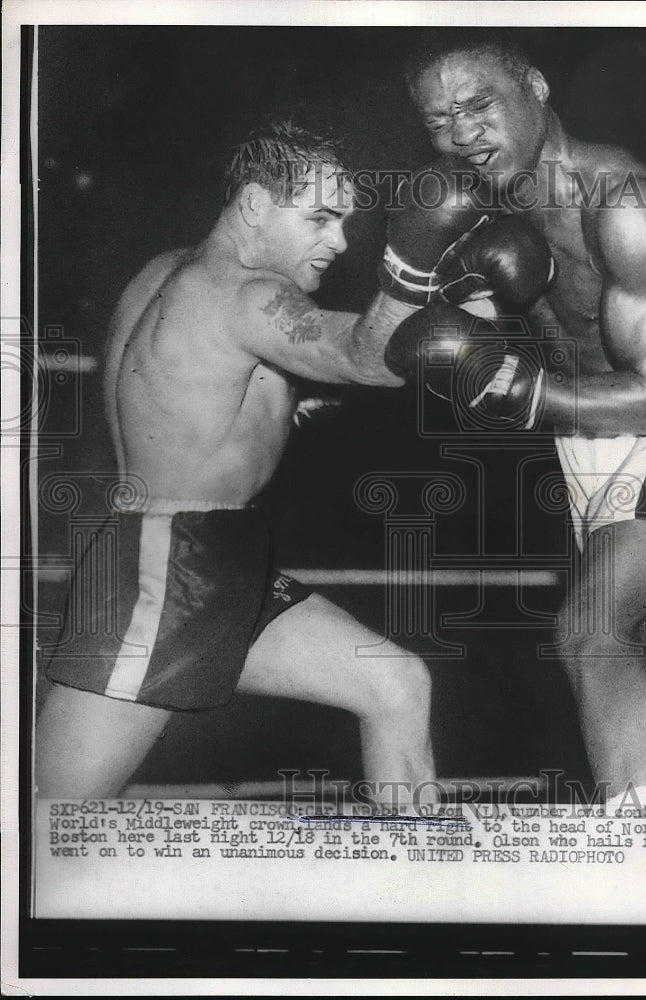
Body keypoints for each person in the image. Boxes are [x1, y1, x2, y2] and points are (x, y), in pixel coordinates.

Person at [393, 32, 646, 807]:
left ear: (535, 88)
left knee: (594, 632)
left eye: (480, 106)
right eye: (440, 121)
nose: (463, 134)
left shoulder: (623, 200)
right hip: (593, 439)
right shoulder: (473, 207)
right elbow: (408, 348)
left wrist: (516, 387)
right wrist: (409, 277)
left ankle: (643, 868)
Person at [36, 121, 454, 803]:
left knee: (394, 682)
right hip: (165, 569)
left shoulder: (166, 272)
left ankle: (417, 891)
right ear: (256, 205)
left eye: (346, 220)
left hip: (221, 557)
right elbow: (365, 358)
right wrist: (415, 264)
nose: (340, 241)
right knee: (50, 819)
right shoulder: (247, 294)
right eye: (320, 218)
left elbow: (189, 397)